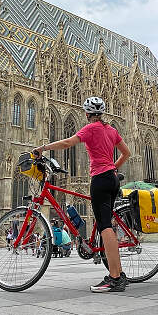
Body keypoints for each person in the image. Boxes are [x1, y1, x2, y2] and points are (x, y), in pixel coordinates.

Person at [34, 96, 130, 293]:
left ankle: (115, 278)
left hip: (100, 179)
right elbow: (127, 153)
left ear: (87, 115)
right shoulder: (111, 130)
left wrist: (44, 148)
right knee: (106, 224)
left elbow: (68, 143)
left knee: (104, 226)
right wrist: (113, 168)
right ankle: (119, 273)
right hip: (112, 179)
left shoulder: (90, 128)